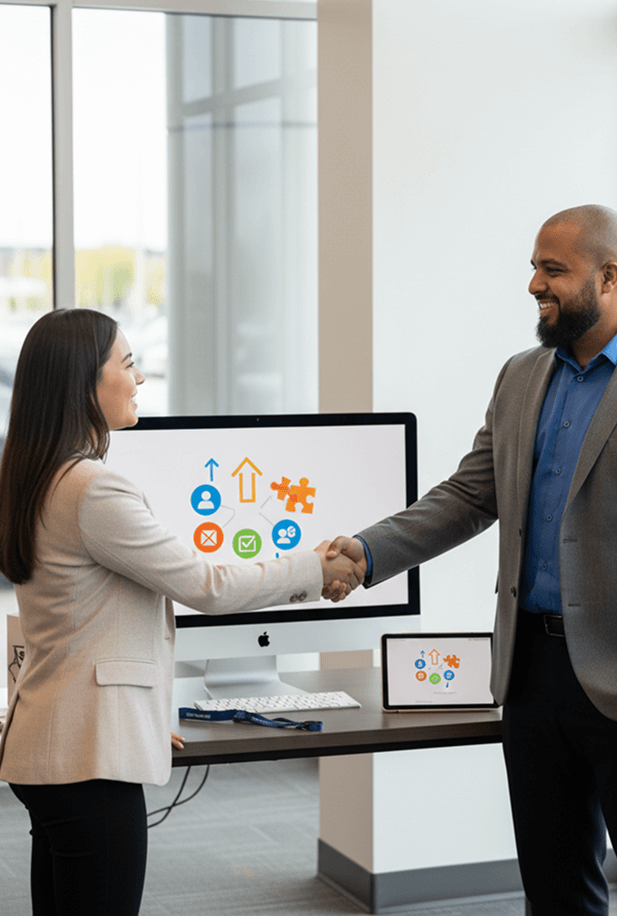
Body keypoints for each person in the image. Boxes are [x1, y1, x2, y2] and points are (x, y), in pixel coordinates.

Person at [326, 204, 617, 915]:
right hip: (529, 673)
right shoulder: (521, 376)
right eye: (533, 267)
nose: (533, 284)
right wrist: (368, 552)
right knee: (554, 891)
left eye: (552, 270)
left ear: (609, 276)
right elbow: (470, 495)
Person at [0, 308, 362, 916]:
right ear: (83, 383)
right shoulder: (94, 489)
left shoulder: (34, 476)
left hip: (55, 743)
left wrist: (136, 714)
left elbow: (76, 626)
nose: (140, 378)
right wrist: (313, 567)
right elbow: (207, 585)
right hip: (88, 758)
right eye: (128, 363)